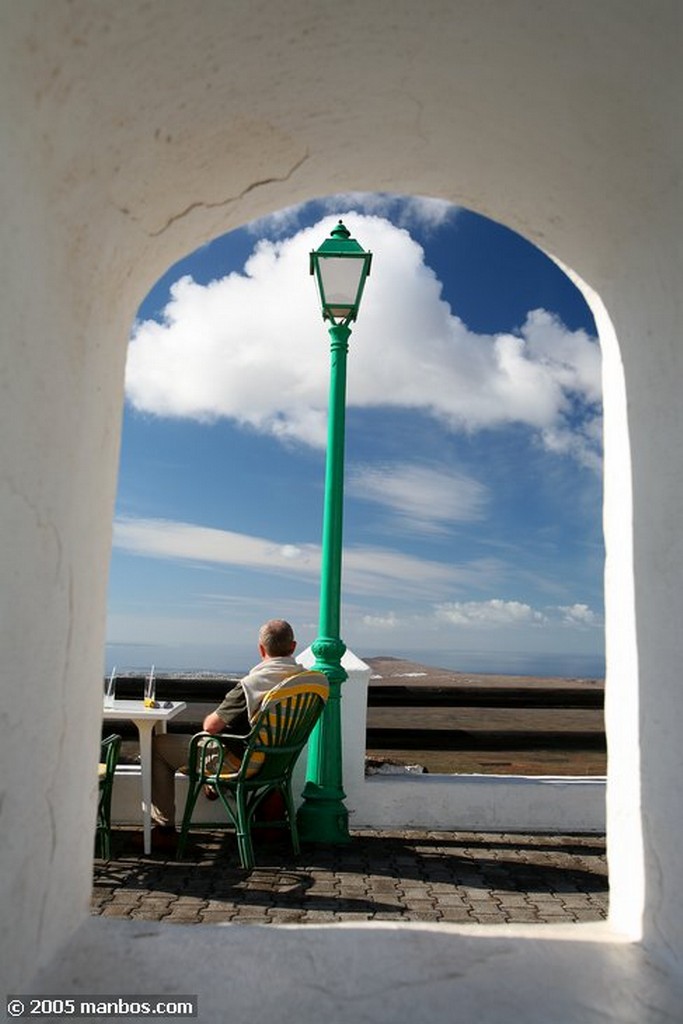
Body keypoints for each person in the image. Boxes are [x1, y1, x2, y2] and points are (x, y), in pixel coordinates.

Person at [148, 619, 302, 850]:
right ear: (293, 647)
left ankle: (164, 830)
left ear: (261, 649)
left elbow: (210, 726)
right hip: (276, 763)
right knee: (204, 747)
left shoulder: (253, 683)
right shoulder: (303, 681)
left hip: (241, 763)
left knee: (158, 746)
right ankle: (211, 786)